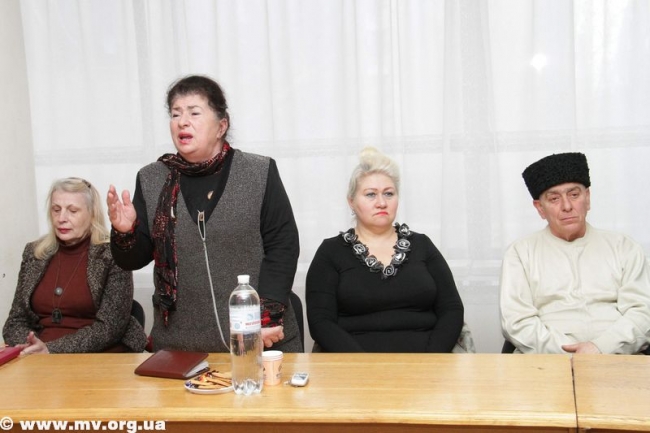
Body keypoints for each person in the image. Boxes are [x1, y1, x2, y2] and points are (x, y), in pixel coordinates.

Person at [106, 75, 301, 353]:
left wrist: (267, 317)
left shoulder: (258, 172)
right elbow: (133, 259)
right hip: (180, 347)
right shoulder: (152, 179)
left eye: (194, 113)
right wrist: (125, 233)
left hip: (257, 338)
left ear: (222, 126)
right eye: (175, 114)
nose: (182, 122)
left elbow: (283, 246)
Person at [306, 147, 465, 352]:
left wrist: (431, 360)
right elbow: (321, 322)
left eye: (389, 194)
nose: (381, 203)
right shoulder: (331, 252)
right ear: (351, 202)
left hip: (427, 360)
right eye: (370, 194)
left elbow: (451, 309)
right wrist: (363, 364)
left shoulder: (422, 245)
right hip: (354, 363)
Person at [500, 152, 650, 354]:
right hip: (547, 360)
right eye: (554, 199)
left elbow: (642, 313)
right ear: (540, 208)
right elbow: (517, 321)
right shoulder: (520, 253)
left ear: (587, 198)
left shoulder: (624, 247)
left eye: (574, 195)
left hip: (617, 356)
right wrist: (568, 354)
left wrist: (600, 348)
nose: (567, 206)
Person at [3, 178, 147, 354]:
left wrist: (51, 349)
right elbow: (15, 321)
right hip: (40, 358)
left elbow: (110, 328)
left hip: (100, 355)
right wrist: (30, 347)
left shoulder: (114, 253)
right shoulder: (34, 253)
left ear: (92, 214)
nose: (61, 218)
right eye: (56, 210)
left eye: (72, 211)